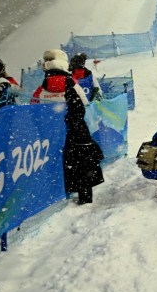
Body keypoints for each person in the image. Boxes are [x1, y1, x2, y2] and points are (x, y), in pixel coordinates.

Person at [32, 49, 104, 204]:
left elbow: (33, 106)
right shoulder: (72, 83)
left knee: (56, 160)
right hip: (75, 130)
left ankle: (58, 191)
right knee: (82, 161)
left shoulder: (41, 88)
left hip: (50, 132)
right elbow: (84, 103)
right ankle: (84, 195)